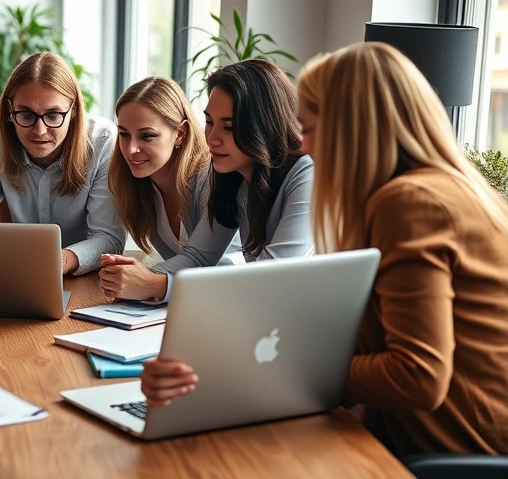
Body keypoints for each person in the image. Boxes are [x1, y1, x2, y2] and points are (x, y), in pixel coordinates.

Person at [141, 42, 508, 456]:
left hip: (448, 453)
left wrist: (258, 367)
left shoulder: (412, 203)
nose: (303, 148)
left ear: (353, 128)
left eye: (309, 130)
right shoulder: (417, 194)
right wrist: (205, 366)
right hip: (403, 434)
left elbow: (417, 374)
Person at [101, 59, 314, 301]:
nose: (211, 139)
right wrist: (135, 279)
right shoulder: (231, 176)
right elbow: (199, 257)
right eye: (210, 122)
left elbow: (274, 279)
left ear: (264, 125)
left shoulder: (308, 174)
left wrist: (158, 285)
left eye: (229, 127)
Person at [0, 52, 125, 275]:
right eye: (26, 115)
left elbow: (108, 238)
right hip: (18, 272)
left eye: (53, 115)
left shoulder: (103, 141)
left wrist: (61, 260)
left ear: (73, 110)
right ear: (9, 110)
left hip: (86, 277)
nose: (40, 131)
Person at [99, 77, 241, 299]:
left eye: (147, 136)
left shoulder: (213, 178)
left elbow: (217, 268)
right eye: (124, 134)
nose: (131, 149)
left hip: (237, 301)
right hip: (193, 304)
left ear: (180, 134)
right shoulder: (139, 188)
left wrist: (145, 278)